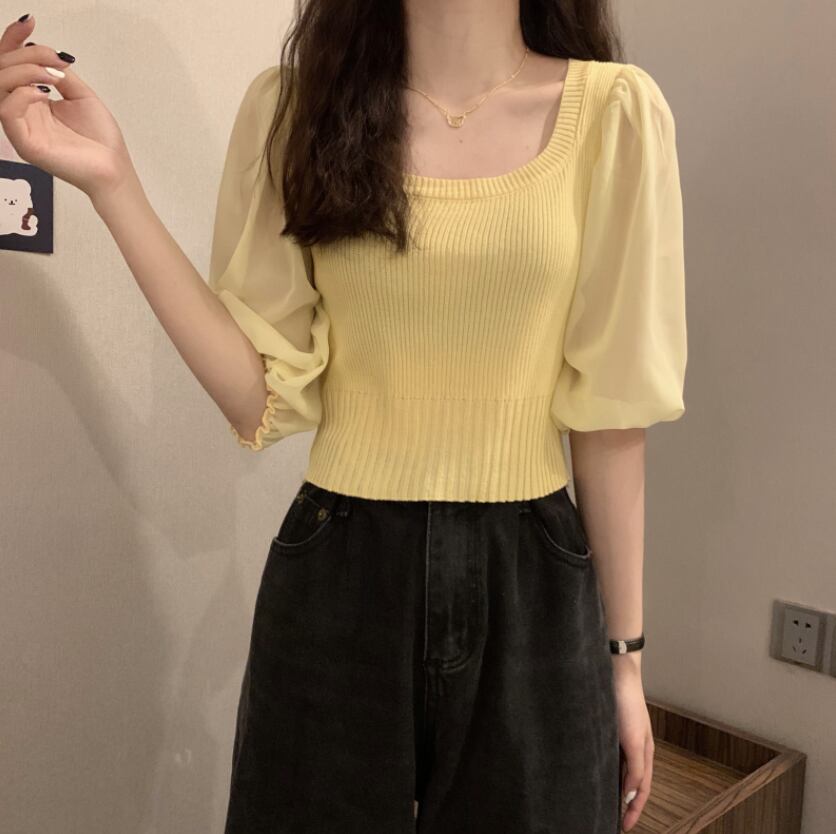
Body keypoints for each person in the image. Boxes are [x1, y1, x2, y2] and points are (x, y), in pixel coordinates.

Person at [0, 3, 687, 832]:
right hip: (340, 569)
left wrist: (624, 665)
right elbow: (257, 392)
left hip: (535, 579)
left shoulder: (613, 114)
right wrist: (113, 183)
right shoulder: (300, 112)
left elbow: (610, 418)